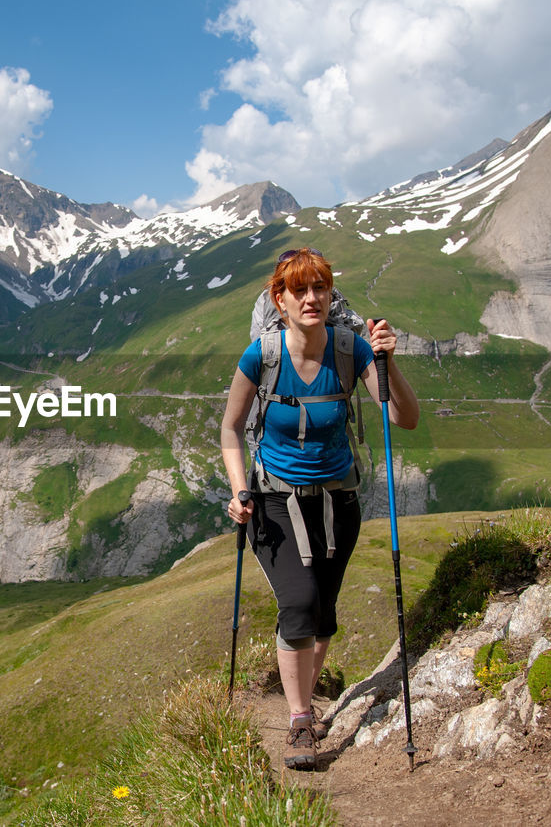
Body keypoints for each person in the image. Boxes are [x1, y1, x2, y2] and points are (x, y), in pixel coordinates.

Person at [220, 247, 420, 769]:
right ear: (279, 300)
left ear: (331, 295)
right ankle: (301, 720)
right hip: (274, 501)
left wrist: (387, 362)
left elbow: (405, 418)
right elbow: (230, 430)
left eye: (321, 288)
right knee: (301, 602)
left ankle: (305, 701)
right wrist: (240, 490)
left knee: (324, 612)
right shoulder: (261, 357)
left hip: (339, 501)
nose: (312, 298)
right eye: (299, 290)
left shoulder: (352, 350)